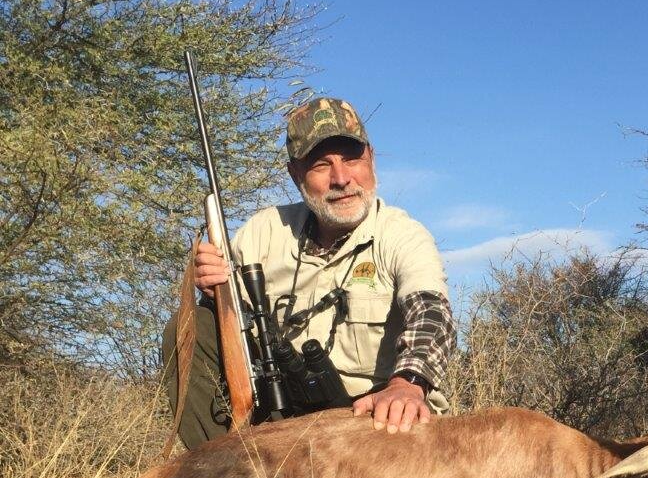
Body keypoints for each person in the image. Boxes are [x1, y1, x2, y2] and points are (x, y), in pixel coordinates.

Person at [163, 97, 456, 449]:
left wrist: (407, 384)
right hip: (288, 420)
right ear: (295, 174)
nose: (342, 178)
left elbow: (432, 316)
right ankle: (219, 472)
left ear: (371, 160)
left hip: (375, 418)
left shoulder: (403, 235)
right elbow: (231, 333)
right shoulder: (264, 231)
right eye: (321, 165)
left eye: (352, 159)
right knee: (195, 325)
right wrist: (213, 291)